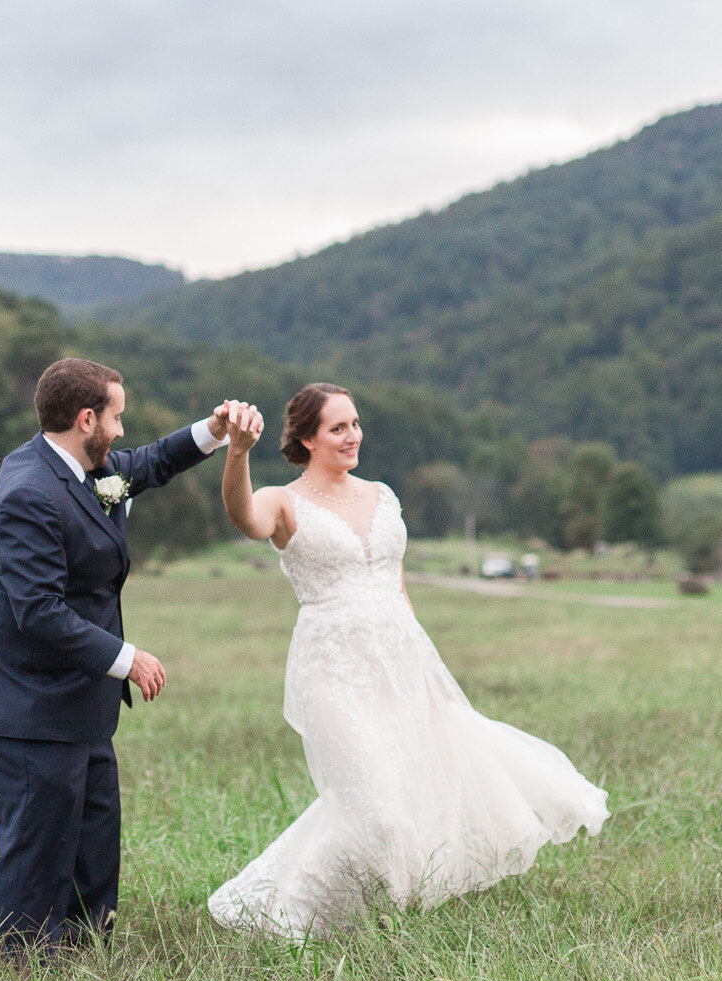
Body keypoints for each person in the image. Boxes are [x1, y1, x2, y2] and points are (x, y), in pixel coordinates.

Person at [208, 383, 608, 938]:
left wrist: (427, 671)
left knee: (402, 789)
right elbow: (243, 517)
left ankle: (381, 918)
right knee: (377, 808)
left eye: (355, 423)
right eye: (338, 428)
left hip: (399, 659)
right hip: (332, 670)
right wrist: (237, 453)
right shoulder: (283, 500)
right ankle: (294, 920)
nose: (353, 436)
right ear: (306, 437)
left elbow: (396, 587)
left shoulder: (382, 495)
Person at [0, 356, 240, 961]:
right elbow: (36, 609)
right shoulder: (27, 493)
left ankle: (84, 959)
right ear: (86, 418)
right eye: (116, 418)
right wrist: (127, 658)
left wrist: (213, 430)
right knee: (37, 849)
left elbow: (146, 465)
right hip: (30, 706)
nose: (122, 432)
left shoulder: (83, 465)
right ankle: (22, 975)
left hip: (81, 703)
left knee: (93, 842)